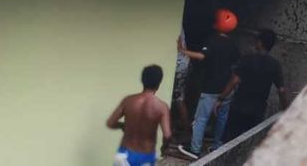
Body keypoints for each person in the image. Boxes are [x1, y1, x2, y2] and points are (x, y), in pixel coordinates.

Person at [177, 9, 240, 159]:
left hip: (211, 87)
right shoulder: (234, 45)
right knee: (222, 117)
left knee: (201, 119)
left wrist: (183, 50)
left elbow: (201, 56)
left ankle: (195, 149)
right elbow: (235, 67)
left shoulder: (212, 41)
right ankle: (217, 145)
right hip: (227, 88)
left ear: (218, 24)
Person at [220, 29, 289, 141]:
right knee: (248, 142)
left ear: (260, 43)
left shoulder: (246, 59)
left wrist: (221, 98)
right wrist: (286, 108)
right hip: (257, 109)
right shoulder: (275, 65)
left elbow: (234, 81)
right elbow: (281, 90)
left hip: (239, 106)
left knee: (230, 140)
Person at [106, 65, 172, 166]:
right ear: (159, 83)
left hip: (124, 154)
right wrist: (164, 147)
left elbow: (110, 123)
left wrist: (122, 125)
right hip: (145, 156)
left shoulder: (128, 100)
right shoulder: (162, 107)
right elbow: (167, 135)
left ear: (142, 80)